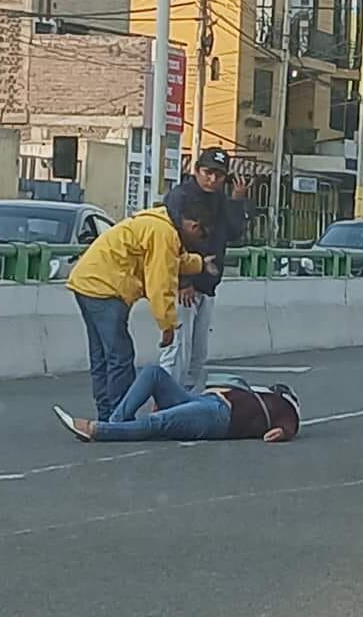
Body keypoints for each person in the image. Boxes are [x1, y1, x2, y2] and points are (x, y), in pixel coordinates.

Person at [65, 197, 217, 422]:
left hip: (87, 281)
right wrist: (168, 326)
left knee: (102, 356)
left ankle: (107, 413)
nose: (200, 241)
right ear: (193, 226)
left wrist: (199, 263)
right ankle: (118, 417)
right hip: (105, 288)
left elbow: (173, 260)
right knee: (119, 356)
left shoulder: (160, 224)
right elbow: (160, 284)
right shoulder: (163, 234)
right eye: (202, 235)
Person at [159, 147, 250, 390]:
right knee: (177, 351)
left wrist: (237, 200)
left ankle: (183, 405)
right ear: (196, 170)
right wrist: (183, 281)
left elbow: (233, 233)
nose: (212, 179)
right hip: (184, 287)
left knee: (197, 356)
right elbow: (170, 241)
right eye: (208, 172)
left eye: (219, 175)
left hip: (207, 285)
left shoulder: (220, 199)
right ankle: (164, 402)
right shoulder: (181, 197)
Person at [52, 364, 300, 444]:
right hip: (206, 401)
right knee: (153, 373)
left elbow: (290, 426)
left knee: (158, 423)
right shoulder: (257, 392)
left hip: (220, 417)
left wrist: (283, 432)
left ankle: (98, 430)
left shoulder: (285, 408)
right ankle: (116, 423)